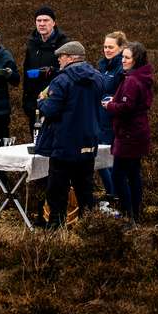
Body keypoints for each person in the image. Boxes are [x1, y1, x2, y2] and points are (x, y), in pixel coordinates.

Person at [35, 40, 104, 228]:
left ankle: (56, 230)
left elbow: (51, 110)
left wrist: (41, 100)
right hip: (88, 141)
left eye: (61, 56)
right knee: (85, 190)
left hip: (63, 144)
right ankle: (90, 227)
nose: (59, 60)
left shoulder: (61, 80)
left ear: (71, 58)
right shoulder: (98, 78)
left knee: (58, 190)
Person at [105, 41, 154, 223]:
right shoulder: (142, 77)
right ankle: (135, 213)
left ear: (136, 59)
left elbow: (126, 107)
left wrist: (110, 105)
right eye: (122, 57)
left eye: (126, 57)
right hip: (138, 132)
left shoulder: (132, 80)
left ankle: (128, 215)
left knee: (118, 175)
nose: (123, 60)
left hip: (129, 135)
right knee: (133, 174)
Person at [21, 5, 69, 137]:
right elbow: (26, 71)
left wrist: (52, 71)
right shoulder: (32, 43)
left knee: (54, 141)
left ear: (54, 22)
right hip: (34, 102)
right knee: (36, 141)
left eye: (46, 20)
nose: (42, 24)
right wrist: (26, 100)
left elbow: (69, 72)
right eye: (39, 20)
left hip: (55, 101)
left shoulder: (63, 43)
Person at [95, 31, 127, 201]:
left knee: (109, 157)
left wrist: (113, 99)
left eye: (111, 47)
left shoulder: (122, 69)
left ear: (121, 48)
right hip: (100, 118)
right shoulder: (102, 65)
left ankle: (116, 194)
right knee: (99, 157)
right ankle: (111, 191)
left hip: (114, 120)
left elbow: (124, 94)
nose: (106, 50)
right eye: (105, 47)